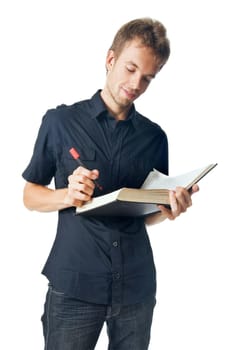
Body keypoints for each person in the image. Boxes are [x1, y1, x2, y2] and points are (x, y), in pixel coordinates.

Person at [22, 17, 199, 350]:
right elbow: (30, 196)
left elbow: (145, 213)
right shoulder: (60, 122)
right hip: (75, 286)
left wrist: (168, 210)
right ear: (110, 59)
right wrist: (67, 195)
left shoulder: (154, 137)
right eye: (131, 69)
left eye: (148, 78)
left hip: (136, 289)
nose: (136, 84)